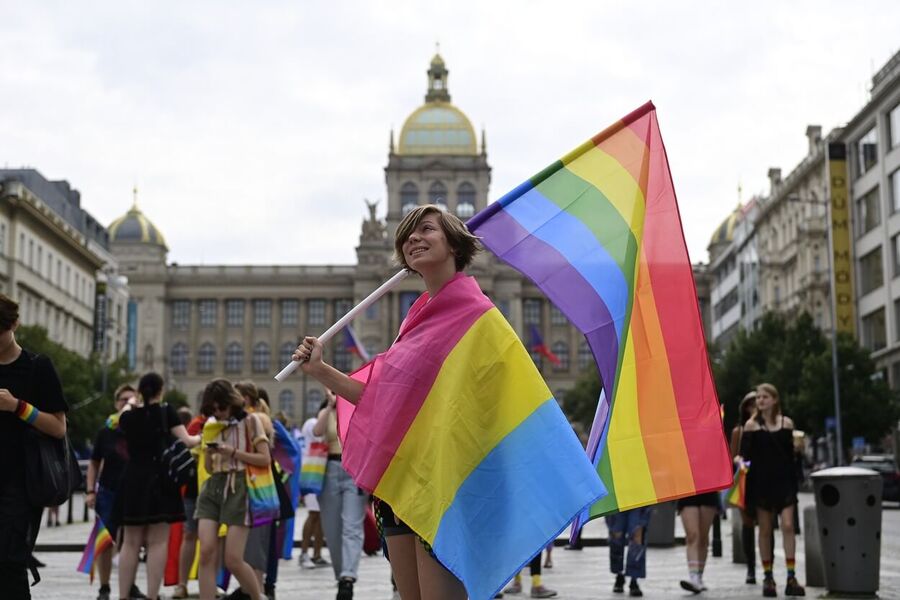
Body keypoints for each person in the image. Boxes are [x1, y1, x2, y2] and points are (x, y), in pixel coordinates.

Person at [291, 205, 481, 600]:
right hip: (398, 483)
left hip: (440, 484)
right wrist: (320, 370)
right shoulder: (415, 320)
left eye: (426, 229)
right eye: (407, 233)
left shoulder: (475, 313)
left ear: (454, 243)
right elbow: (381, 400)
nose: (413, 237)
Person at [0, 294, 68, 599]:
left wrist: (18, 407)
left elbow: (58, 427)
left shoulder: (37, 367)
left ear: (14, 324)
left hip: (18, 483)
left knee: (10, 564)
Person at [116, 372, 200, 600]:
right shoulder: (166, 412)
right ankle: (152, 595)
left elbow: (119, 418)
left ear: (140, 392)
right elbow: (188, 440)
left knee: (130, 542)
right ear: (161, 390)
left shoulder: (130, 417)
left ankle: (123, 595)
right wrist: (204, 437)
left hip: (133, 480)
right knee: (158, 542)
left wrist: (132, 403)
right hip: (161, 481)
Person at [195, 379, 271, 600]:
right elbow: (209, 469)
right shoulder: (211, 425)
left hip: (240, 485)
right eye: (212, 409)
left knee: (233, 559)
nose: (217, 413)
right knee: (207, 552)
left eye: (221, 407)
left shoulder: (251, 421)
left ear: (232, 402)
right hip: (213, 487)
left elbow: (265, 458)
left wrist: (232, 452)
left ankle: (258, 596)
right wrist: (210, 454)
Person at [740, 383, 805, 597]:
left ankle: (791, 575)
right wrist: (740, 463)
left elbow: (792, 456)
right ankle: (768, 577)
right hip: (761, 483)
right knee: (766, 530)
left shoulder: (787, 424)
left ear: (775, 399)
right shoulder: (751, 426)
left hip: (784, 481)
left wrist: (798, 450)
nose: (760, 401)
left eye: (765, 397)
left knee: (788, 525)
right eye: (758, 397)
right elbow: (744, 455)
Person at [86, 383, 148, 600]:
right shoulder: (106, 431)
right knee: (105, 540)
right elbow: (94, 463)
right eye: (124, 400)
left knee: (132, 541)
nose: (128, 404)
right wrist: (90, 491)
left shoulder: (142, 429)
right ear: (116, 403)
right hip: (109, 492)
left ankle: (129, 585)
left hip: (135, 493)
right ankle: (104, 587)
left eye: (133, 400)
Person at [311, 388, 367, 600]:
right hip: (329, 470)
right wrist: (329, 406)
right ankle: (341, 576)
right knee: (332, 530)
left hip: (353, 469)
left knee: (352, 527)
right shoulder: (327, 411)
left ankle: (347, 578)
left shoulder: (356, 409)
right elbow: (317, 431)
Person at [172, 398, 215, 600]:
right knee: (189, 535)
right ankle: (182, 584)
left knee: (212, 540)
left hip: (214, 488)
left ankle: (210, 583)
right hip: (193, 488)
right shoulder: (197, 424)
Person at [730, 391, 759, 585]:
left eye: (755, 404)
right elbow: (733, 456)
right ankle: (750, 566)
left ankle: (767, 566)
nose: (753, 408)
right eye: (749, 405)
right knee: (747, 523)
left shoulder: (768, 428)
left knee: (765, 525)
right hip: (745, 479)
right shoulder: (739, 431)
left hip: (765, 480)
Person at [298, 399, 328, 570]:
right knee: (313, 514)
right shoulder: (312, 423)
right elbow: (317, 433)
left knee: (320, 516)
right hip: (310, 474)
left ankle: (317, 554)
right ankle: (304, 553)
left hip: (320, 474)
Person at [606, 506, 653, 597]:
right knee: (616, 537)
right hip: (616, 498)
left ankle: (634, 579)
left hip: (639, 499)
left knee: (637, 538)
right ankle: (619, 574)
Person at [678, 491, 719, 593]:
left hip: (708, 488)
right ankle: (694, 577)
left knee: (703, 538)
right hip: (687, 488)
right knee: (692, 536)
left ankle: (699, 577)